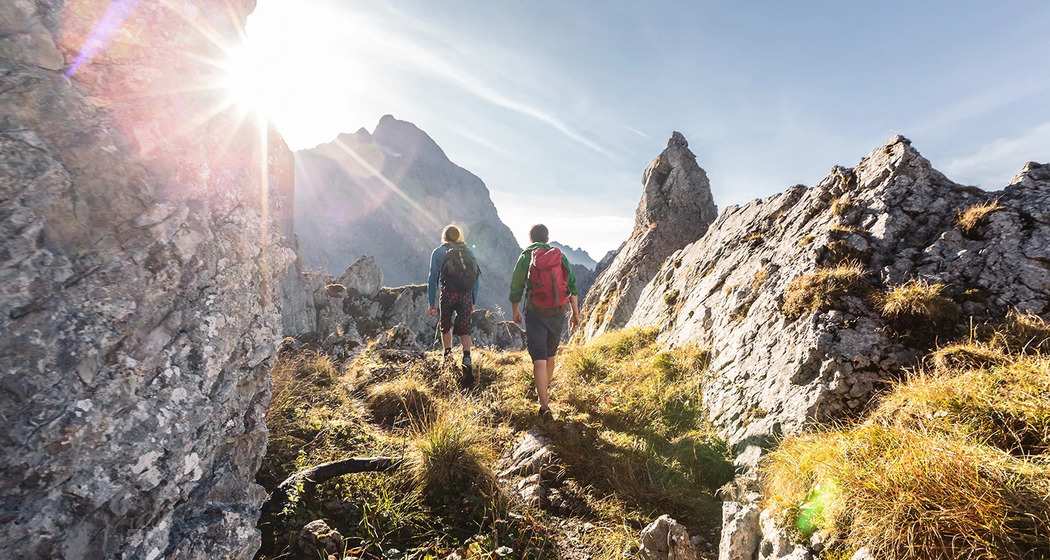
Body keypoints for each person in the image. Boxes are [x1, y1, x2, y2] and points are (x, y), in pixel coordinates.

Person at [509, 224, 580, 421]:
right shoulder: (559, 256)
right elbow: (572, 285)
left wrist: (515, 310)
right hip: (557, 311)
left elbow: (516, 286)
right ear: (547, 239)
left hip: (535, 312)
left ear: (531, 239)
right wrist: (575, 314)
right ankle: (544, 391)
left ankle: (544, 405)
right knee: (550, 355)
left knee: (539, 359)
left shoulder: (526, 257)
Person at [428, 224, 481, 385]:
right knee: (465, 327)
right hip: (465, 295)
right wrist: (473, 300)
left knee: (445, 325)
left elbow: (432, 278)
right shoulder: (468, 252)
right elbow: (476, 278)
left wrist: (431, 302)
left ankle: (448, 357)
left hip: (448, 294)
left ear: (444, 237)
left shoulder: (438, 252)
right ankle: (467, 358)